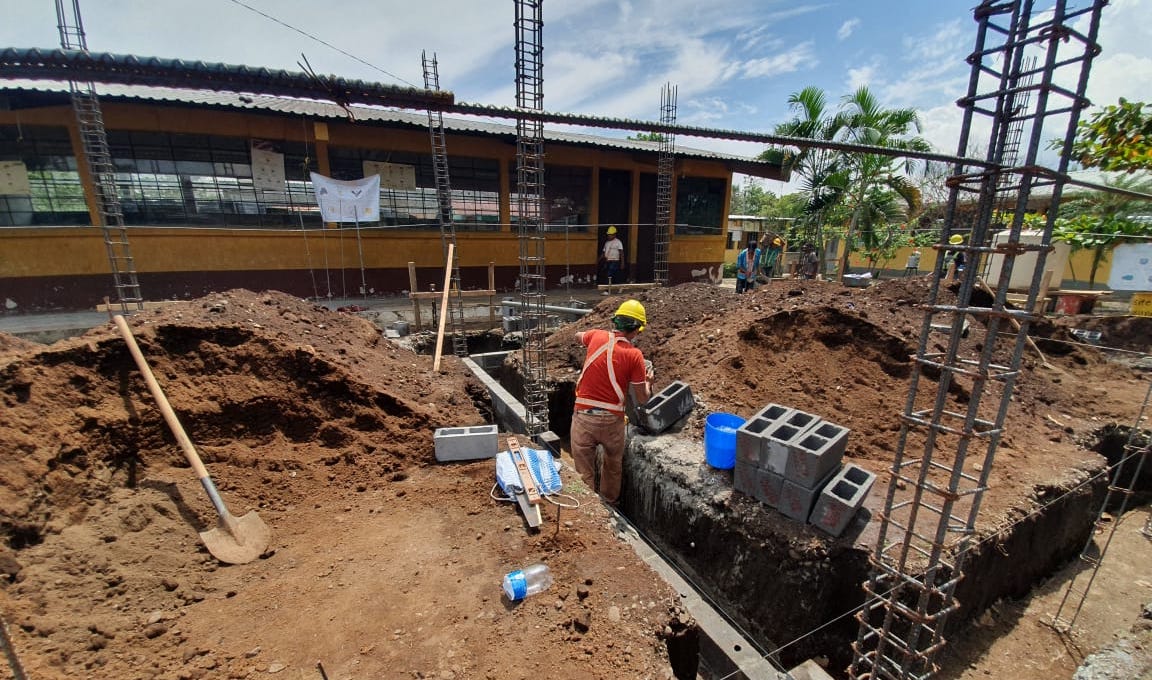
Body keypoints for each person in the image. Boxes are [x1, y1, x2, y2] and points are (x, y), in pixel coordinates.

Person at [570, 300, 652, 506]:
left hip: (583, 417)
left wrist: (586, 338)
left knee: (583, 472)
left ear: (615, 321)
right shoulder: (635, 355)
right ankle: (609, 504)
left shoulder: (596, 336)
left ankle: (589, 513)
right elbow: (643, 398)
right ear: (636, 330)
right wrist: (648, 382)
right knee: (613, 465)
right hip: (612, 421)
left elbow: (578, 336)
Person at [600, 226, 624, 293]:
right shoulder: (607, 243)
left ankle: (607, 290)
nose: (609, 236)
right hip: (608, 261)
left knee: (609, 275)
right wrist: (599, 259)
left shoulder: (618, 242)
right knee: (614, 276)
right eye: (608, 234)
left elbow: (621, 253)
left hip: (615, 261)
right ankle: (619, 287)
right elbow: (604, 252)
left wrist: (622, 263)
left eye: (610, 235)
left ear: (614, 234)